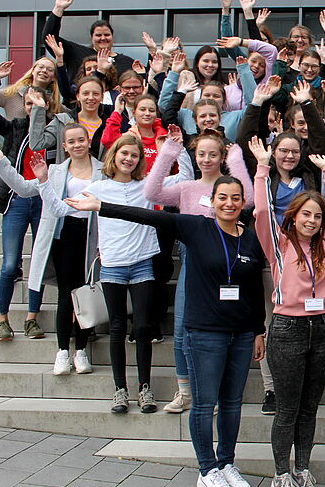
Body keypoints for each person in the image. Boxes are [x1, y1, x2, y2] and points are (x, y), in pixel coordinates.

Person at [64, 175, 266, 487]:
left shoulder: (249, 239)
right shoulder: (196, 227)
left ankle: (227, 463)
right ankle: (207, 469)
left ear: (243, 203)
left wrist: (258, 329)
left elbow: (253, 288)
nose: (229, 203)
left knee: (232, 402)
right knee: (204, 403)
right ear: (212, 201)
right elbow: (147, 215)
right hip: (205, 333)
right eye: (223, 197)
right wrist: (101, 206)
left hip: (240, 333)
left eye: (236, 198)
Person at [252, 140, 325, 487]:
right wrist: (263, 168)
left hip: (320, 328)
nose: (312, 220)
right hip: (287, 328)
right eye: (306, 214)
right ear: (293, 215)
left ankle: (303, 468)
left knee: (309, 408)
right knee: (287, 408)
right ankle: (281, 473)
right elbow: (262, 212)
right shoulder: (279, 243)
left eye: (317, 216)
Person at [47, 135, 162, 414]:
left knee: (143, 327)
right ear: (114, 155)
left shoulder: (146, 187)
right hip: (112, 266)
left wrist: (171, 148)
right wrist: (42, 182)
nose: (129, 159)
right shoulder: (98, 188)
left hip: (142, 264)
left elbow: (180, 177)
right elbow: (59, 208)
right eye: (124, 153)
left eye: (134, 155)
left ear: (139, 160)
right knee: (117, 327)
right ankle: (120, 389)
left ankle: (145, 388)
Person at [143, 127, 252, 413]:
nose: (206, 159)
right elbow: (151, 192)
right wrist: (168, 153)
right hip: (192, 264)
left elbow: (249, 199)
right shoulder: (187, 188)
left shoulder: (229, 188)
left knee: (221, 331)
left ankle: (213, 392)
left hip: (225, 267)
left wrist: (236, 160)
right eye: (201, 154)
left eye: (212, 154)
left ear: (221, 156)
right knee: (181, 329)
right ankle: (185, 391)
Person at [0, 123, 102, 374]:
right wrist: (2, 163)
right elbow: (24, 189)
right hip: (64, 236)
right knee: (66, 294)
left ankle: (81, 350)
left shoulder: (103, 170)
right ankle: (63, 351)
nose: (77, 145)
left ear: (88, 141)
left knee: (86, 294)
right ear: (64, 146)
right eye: (71, 141)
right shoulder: (55, 171)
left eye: (81, 140)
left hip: (93, 238)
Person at [0, 62, 50, 340]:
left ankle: (32, 318)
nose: (31, 108)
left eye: (36, 103)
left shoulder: (54, 131)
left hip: (43, 202)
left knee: (39, 261)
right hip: (16, 201)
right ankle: (2, 319)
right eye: (28, 103)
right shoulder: (15, 128)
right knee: (9, 263)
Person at [41, 0, 135, 79]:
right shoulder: (76, 53)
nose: (103, 38)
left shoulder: (126, 62)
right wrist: (58, 8)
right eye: (98, 35)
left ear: (112, 36)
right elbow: (49, 37)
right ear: (92, 38)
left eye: (106, 35)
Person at [29, 75, 108, 159]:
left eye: (95, 94)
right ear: (78, 96)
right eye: (85, 93)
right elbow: (37, 143)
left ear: (102, 97)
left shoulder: (109, 126)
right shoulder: (62, 121)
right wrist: (39, 109)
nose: (91, 97)